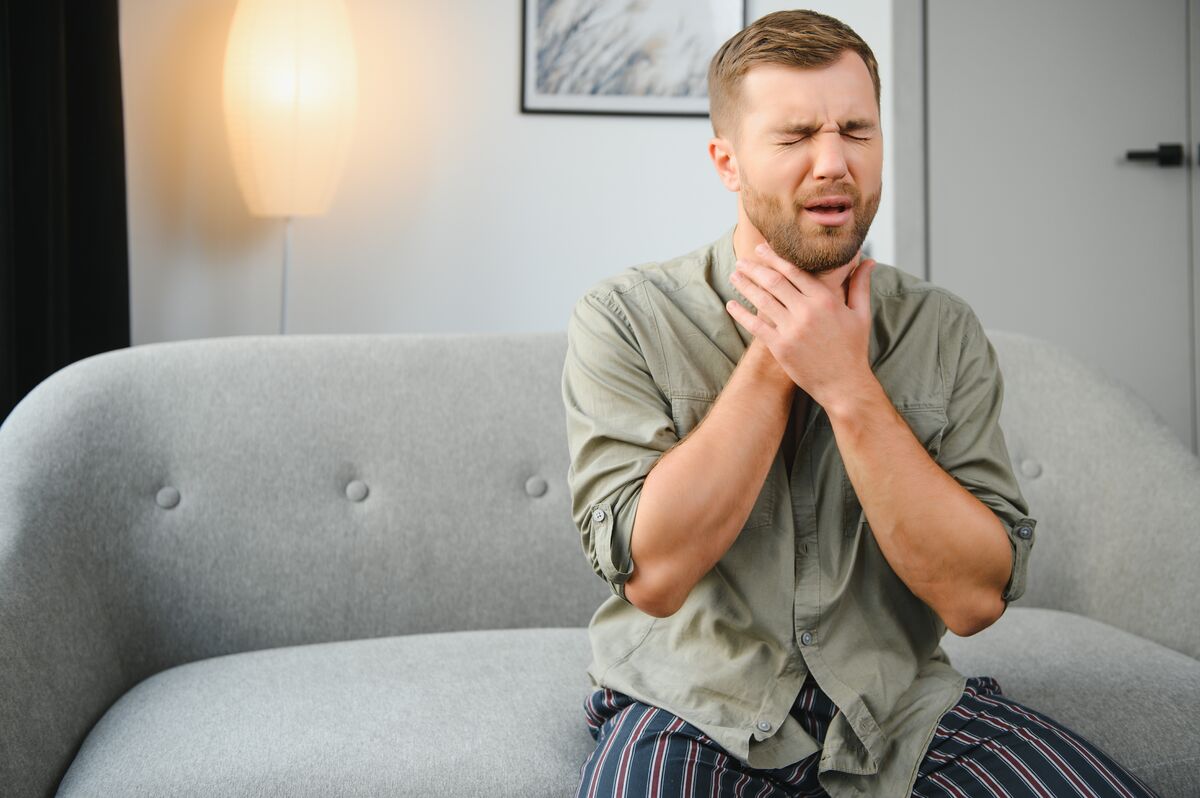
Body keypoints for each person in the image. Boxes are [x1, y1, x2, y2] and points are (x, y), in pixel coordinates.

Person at [560, 9, 1162, 798]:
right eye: (795, 136)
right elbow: (656, 576)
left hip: (902, 710)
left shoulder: (940, 329)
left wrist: (848, 386)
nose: (834, 163)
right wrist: (781, 352)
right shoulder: (625, 318)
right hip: (690, 705)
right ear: (727, 162)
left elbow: (975, 598)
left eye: (856, 130)